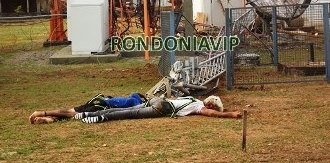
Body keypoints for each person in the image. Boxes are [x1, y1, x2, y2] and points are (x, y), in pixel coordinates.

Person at [76, 95, 242, 124]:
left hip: (160, 100)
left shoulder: (193, 99)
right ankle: (98, 118)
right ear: (211, 104)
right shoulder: (199, 106)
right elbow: (212, 114)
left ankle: (88, 113)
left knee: (132, 108)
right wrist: (231, 114)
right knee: (130, 113)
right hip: (162, 108)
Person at [29, 93, 146, 124]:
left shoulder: (128, 98)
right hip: (102, 106)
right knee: (73, 115)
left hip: (97, 100)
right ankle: (44, 114)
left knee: (70, 112)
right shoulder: (135, 101)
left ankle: (50, 117)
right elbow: (139, 108)